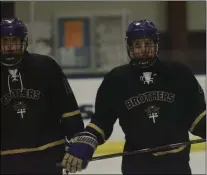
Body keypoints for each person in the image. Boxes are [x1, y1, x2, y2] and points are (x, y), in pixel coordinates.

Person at [61, 19, 206, 174]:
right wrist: (87, 140)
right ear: (129, 46)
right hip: (137, 165)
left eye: (148, 44)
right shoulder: (116, 79)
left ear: (156, 45)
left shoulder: (178, 73)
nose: (143, 50)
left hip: (177, 164)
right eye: (137, 45)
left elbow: (196, 118)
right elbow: (102, 122)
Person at [0, 18, 84, 174]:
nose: (10, 47)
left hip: (48, 155)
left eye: (14, 41)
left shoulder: (45, 66)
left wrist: (79, 144)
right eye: (5, 41)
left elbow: (68, 109)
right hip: (7, 160)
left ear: (23, 42)